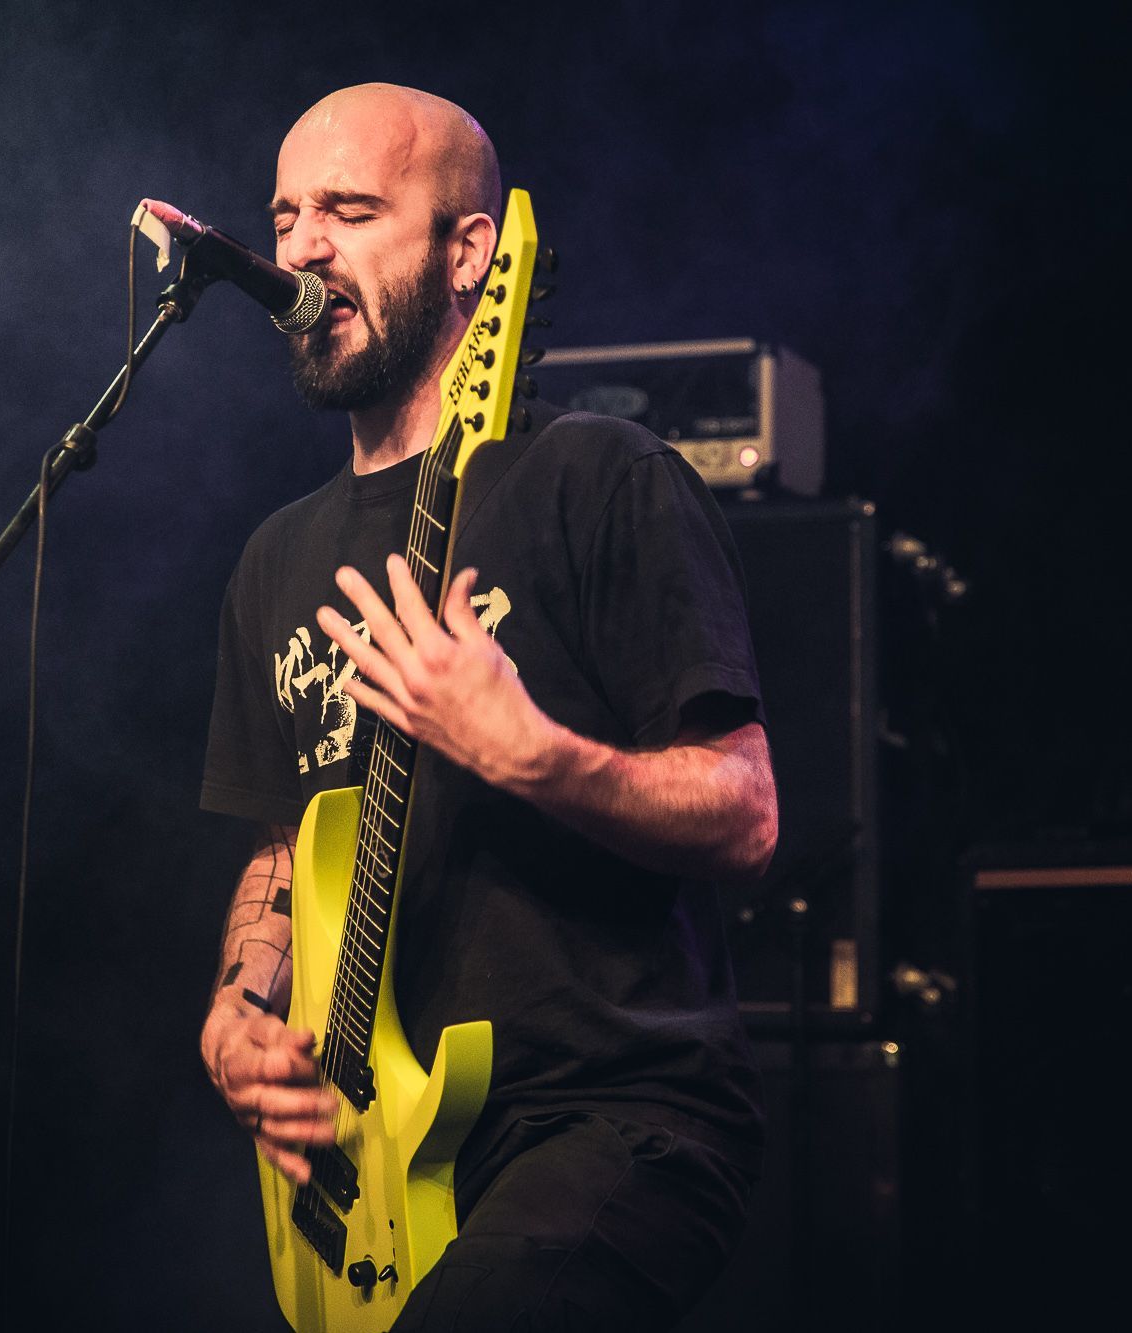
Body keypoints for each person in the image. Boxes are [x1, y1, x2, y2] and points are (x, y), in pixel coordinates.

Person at [197, 83, 778, 1330]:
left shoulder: (599, 477)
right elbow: (288, 845)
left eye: (350, 211)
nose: (301, 248)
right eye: (285, 216)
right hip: (376, 1159)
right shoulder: (273, 559)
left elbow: (744, 811)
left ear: (468, 254)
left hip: (613, 1115)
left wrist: (533, 755)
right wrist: (238, 1007)